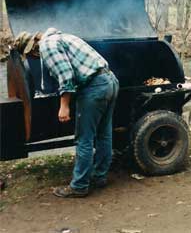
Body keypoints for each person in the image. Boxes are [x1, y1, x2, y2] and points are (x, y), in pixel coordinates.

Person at [14, 27, 119, 198]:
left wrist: (64, 105)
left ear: (32, 48)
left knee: (84, 138)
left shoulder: (46, 46)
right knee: (104, 134)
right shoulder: (62, 37)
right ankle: (99, 177)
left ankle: (79, 186)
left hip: (94, 88)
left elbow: (66, 75)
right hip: (110, 81)